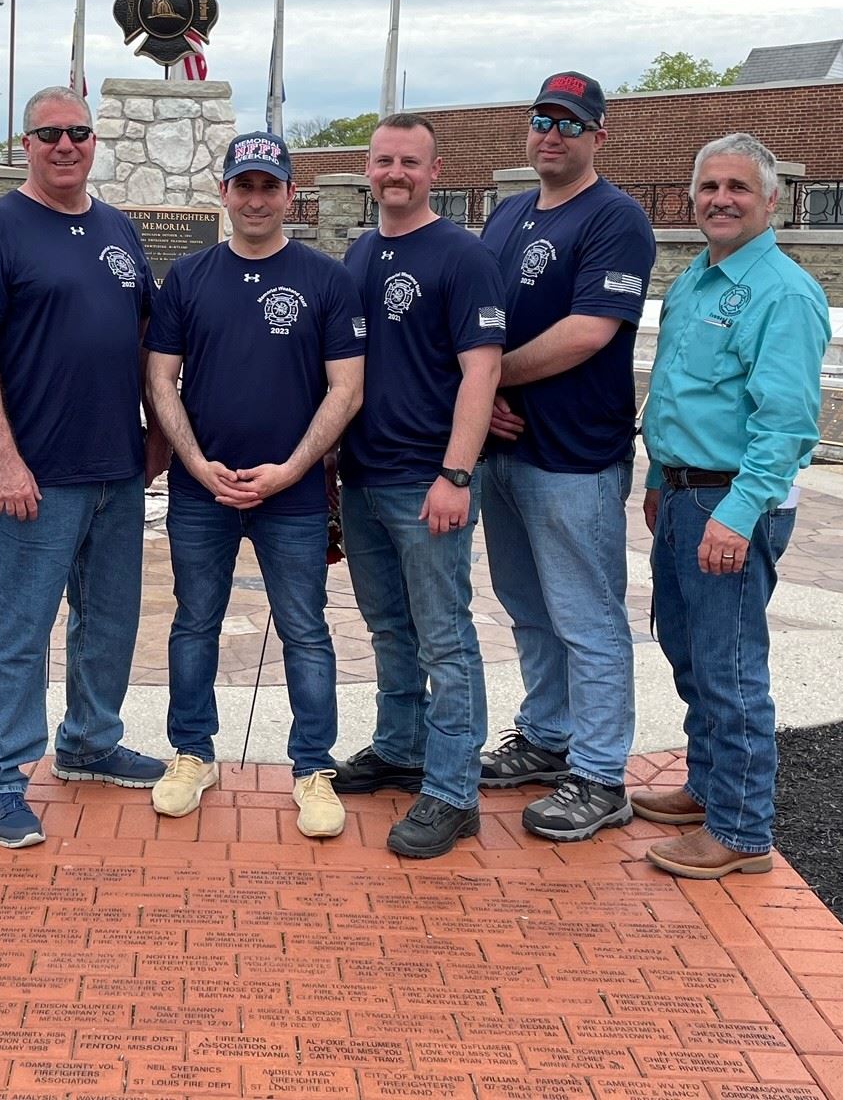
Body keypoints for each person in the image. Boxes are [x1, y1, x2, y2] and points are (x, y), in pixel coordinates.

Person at [0, 86, 168, 849]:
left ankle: (89, 742)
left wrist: (158, 433)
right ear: (25, 145)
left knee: (108, 622)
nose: (65, 145)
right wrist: (1, 460)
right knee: (19, 628)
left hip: (117, 467)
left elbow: (143, 338)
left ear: (94, 142)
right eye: (49, 134)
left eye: (78, 132)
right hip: (34, 477)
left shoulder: (118, 228)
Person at [144, 131, 365, 839]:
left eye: (270, 186)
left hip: (292, 496)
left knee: (304, 629)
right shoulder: (188, 277)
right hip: (200, 490)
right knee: (193, 624)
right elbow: (160, 379)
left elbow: (347, 389)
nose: (257, 198)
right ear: (225, 193)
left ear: (290, 195)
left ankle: (312, 766)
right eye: (245, 185)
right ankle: (191, 753)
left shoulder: (326, 279)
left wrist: (293, 469)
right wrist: (197, 461)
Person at [638, 133, 829, 879]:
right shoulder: (694, 281)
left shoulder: (783, 294)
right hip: (684, 490)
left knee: (733, 667)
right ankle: (709, 786)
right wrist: (659, 478)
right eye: (710, 187)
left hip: (730, 500)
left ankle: (743, 831)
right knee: (689, 651)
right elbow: (680, 392)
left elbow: (786, 423)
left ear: (772, 201)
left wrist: (737, 513)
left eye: (738, 188)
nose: (721, 199)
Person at [476, 72, 656, 842]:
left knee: (586, 617)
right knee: (527, 610)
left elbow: (591, 331)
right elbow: (476, 320)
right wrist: (481, 396)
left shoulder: (616, 219)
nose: (553, 134)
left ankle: (601, 772)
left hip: (575, 458)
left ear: (598, 137)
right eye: (542, 119)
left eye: (570, 124)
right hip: (505, 453)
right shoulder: (508, 215)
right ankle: (547, 737)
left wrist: (490, 379)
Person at [331, 113, 506, 859]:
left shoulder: (461, 256)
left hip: (425, 480)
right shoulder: (358, 252)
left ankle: (452, 791)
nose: (394, 173)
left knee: (444, 637)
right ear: (368, 171)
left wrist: (456, 473)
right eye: (382, 161)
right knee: (388, 628)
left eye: (409, 161)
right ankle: (399, 748)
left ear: (434, 172)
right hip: (365, 477)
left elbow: (482, 370)